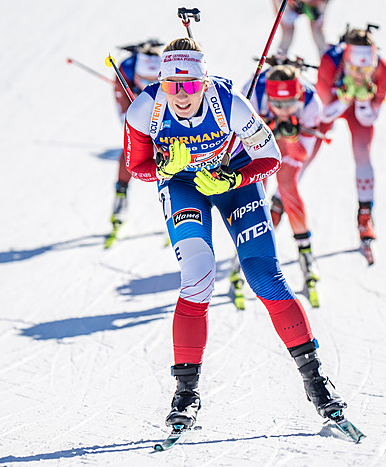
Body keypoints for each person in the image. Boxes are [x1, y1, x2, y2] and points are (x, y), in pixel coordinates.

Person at [123, 37, 347, 430]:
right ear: (161, 83)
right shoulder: (145, 108)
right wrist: (163, 167)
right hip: (182, 186)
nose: (181, 95)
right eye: (172, 85)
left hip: (233, 180)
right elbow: (136, 166)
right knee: (198, 276)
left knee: (264, 276)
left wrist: (234, 176)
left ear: (204, 82)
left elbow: (271, 156)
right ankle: (186, 393)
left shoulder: (228, 103)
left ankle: (317, 383)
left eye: (190, 85)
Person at [237, 59, 324, 307]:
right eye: (278, 104)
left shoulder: (310, 103)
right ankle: (244, 249)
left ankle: (306, 253)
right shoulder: (253, 93)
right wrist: (270, 129)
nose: (284, 110)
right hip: (256, 139)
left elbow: (301, 155)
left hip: (292, 145)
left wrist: (293, 135)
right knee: (255, 190)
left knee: (288, 187)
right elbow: (241, 143)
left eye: (289, 104)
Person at [302, 26, 386, 246]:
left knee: (363, 154)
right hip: (331, 104)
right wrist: (345, 98)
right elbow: (321, 112)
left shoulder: (383, 71)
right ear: (346, 60)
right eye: (354, 68)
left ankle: (365, 215)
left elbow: (369, 119)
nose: (361, 75)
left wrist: (360, 100)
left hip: (356, 110)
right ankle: (279, 202)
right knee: (307, 151)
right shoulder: (330, 62)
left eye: (366, 69)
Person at [108, 40, 162, 240]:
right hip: (136, 108)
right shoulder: (125, 72)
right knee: (131, 147)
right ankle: (121, 197)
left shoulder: (168, 74)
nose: (148, 85)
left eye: (152, 80)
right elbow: (124, 117)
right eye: (144, 80)